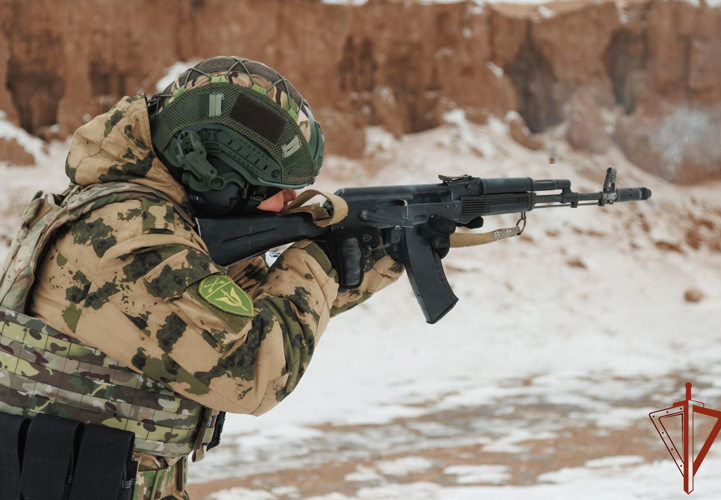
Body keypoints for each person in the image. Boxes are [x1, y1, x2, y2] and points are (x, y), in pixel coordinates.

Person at [0, 56, 454, 499]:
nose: (290, 201)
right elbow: (253, 370)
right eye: (278, 190)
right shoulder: (131, 236)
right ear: (216, 178)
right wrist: (319, 262)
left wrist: (384, 252)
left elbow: (252, 304)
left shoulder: (152, 215)